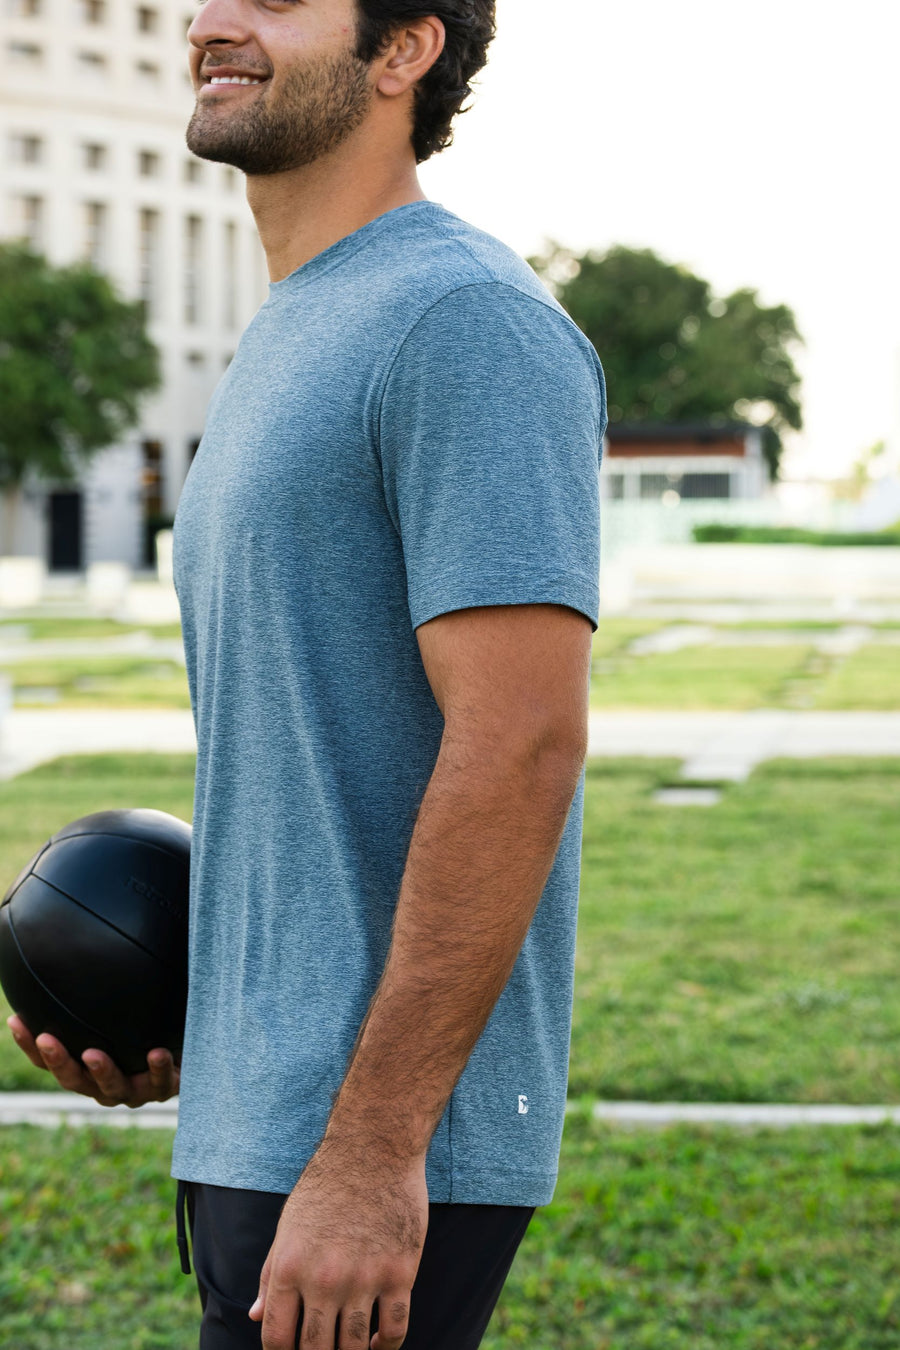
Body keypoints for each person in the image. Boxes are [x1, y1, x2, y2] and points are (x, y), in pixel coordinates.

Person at [7, 2, 606, 1346]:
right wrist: (194, 1011)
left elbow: (521, 743)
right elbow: (319, 759)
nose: (214, 20)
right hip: (269, 1113)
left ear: (404, 51)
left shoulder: (463, 322)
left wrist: (374, 1154)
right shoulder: (296, 326)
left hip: (371, 1149)